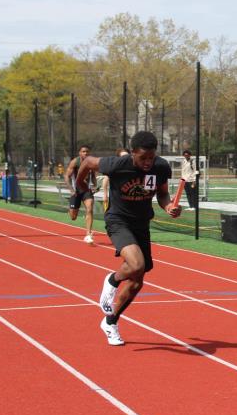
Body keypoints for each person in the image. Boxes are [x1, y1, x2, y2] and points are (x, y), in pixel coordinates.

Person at [76, 131, 181, 346]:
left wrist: (169, 206)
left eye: (151, 157)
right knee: (136, 264)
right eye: (143, 158)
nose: (147, 162)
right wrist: (81, 185)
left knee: (137, 281)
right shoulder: (116, 165)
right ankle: (112, 280)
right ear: (133, 153)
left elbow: (162, 194)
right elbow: (87, 162)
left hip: (141, 224)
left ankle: (110, 322)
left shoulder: (161, 167)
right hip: (118, 220)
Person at [65, 145, 97, 245]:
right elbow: (66, 176)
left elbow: (93, 176)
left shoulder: (92, 162)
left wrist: (95, 185)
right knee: (73, 217)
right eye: (83, 151)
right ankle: (71, 209)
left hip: (86, 190)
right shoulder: (75, 162)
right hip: (76, 191)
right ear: (79, 153)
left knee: (89, 208)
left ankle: (88, 234)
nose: (85, 153)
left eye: (87, 151)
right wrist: (71, 189)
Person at [101, 148, 129, 213]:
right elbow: (105, 180)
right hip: (116, 200)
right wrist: (105, 195)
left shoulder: (133, 167)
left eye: (127, 156)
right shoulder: (114, 168)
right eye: (123, 157)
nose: (125, 158)